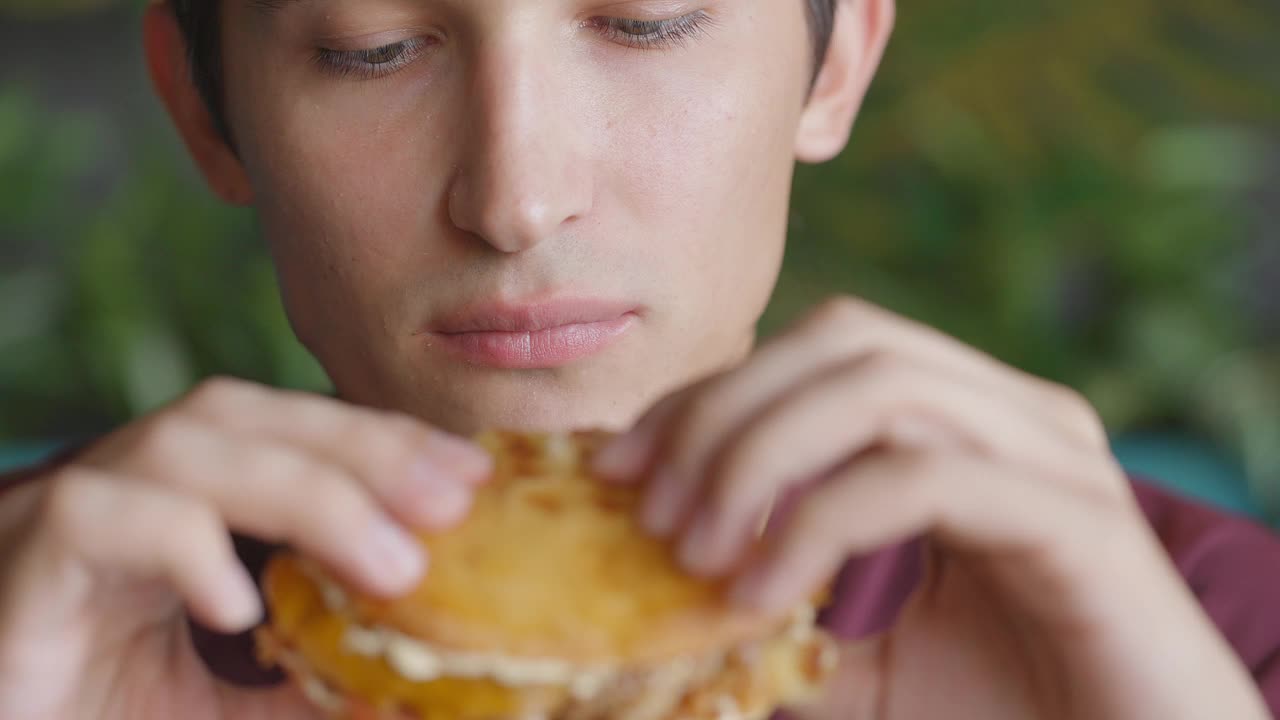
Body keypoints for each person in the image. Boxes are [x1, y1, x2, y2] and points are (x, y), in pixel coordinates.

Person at [1, 0, 1278, 718]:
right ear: (204, 107)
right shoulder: (38, 619)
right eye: (370, 46)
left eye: (648, 19)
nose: (516, 197)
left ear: (833, 62)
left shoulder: (1205, 631)